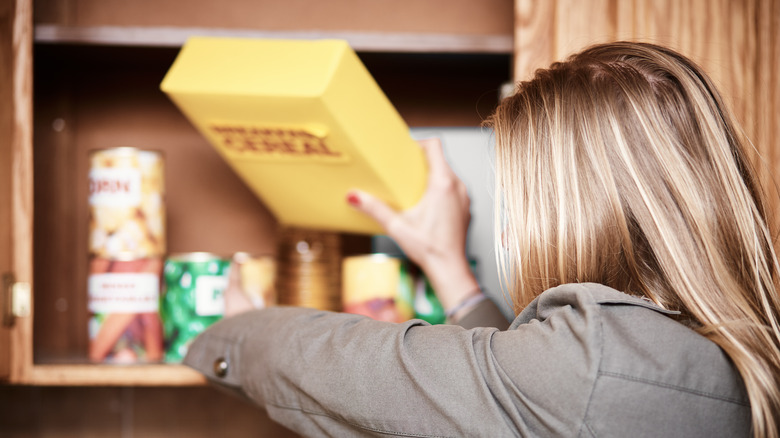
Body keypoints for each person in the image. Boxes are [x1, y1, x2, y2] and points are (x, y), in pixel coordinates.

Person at [184, 42, 780, 437]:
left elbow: (361, 371)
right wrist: (448, 266)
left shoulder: (596, 366)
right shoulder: (722, 358)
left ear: (565, 211)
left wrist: (236, 331)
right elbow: (517, 399)